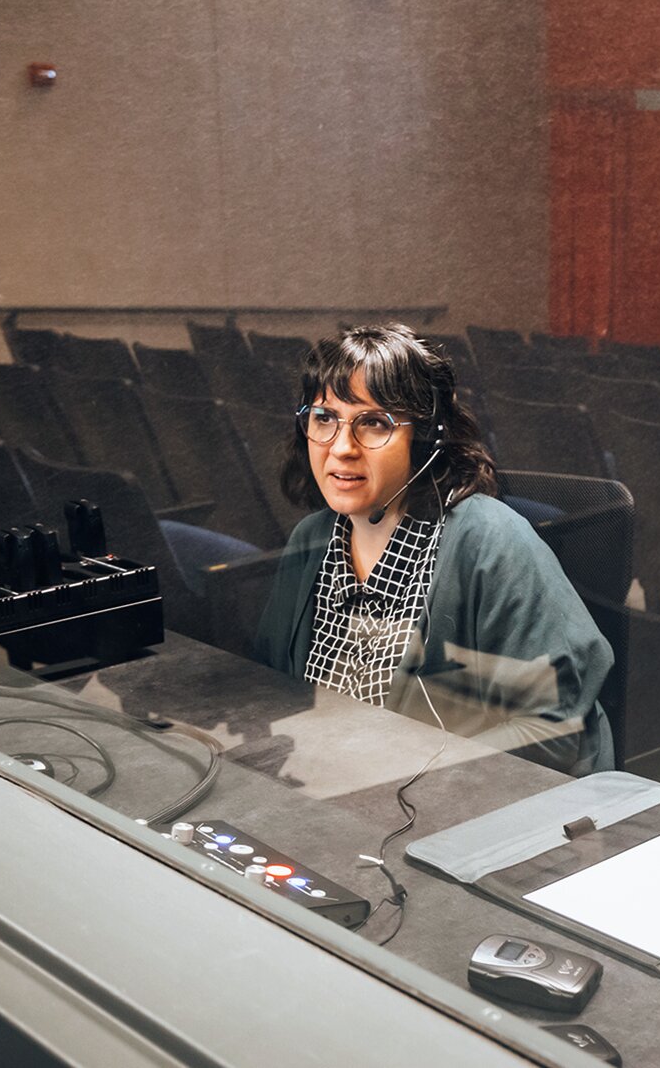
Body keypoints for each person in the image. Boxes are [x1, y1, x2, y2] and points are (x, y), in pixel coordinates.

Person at [252, 323, 614, 775]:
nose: (341, 448)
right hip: (328, 789)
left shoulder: (491, 541)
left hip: (458, 808)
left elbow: (551, 730)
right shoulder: (313, 538)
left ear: (425, 438)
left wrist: (387, 770)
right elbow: (273, 687)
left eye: (374, 423)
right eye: (325, 418)